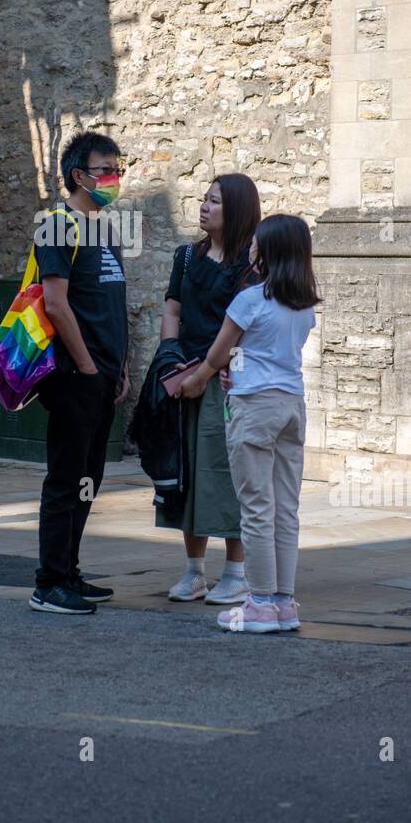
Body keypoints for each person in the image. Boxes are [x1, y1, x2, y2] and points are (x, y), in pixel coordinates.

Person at [180, 214, 319, 634]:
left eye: (257, 244)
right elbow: (267, 352)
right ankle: (283, 602)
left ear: (268, 252)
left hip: (254, 407)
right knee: (285, 508)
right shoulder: (305, 305)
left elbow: (219, 352)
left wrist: (199, 378)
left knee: (256, 507)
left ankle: (258, 603)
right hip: (291, 405)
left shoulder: (249, 300)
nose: (251, 249)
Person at [29, 131, 130, 616]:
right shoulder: (57, 225)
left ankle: (69, 572)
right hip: (74, 376)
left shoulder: (106, 230)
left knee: (89, 479)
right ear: (78, 176)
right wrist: (88, 367)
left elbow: (110, 304)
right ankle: (48, 584)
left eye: (118, 169)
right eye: (104, 170)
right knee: (66, 480)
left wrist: (120, 367)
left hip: (104, 377)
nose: (114, 179)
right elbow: (55, 302)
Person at [161, 174, 261, 605]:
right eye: (204, 198)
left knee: (223, 471)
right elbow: (173, 308)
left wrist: (205, 370)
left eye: (215, 201)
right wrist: (169, 355)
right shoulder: (186, 257)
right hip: (182, 376)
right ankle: (194, 571)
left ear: (236, 209)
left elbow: (239, 328)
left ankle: (236, 572)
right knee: (186, 469)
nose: (203, 206)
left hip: (224, 378)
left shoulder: (251, 265)